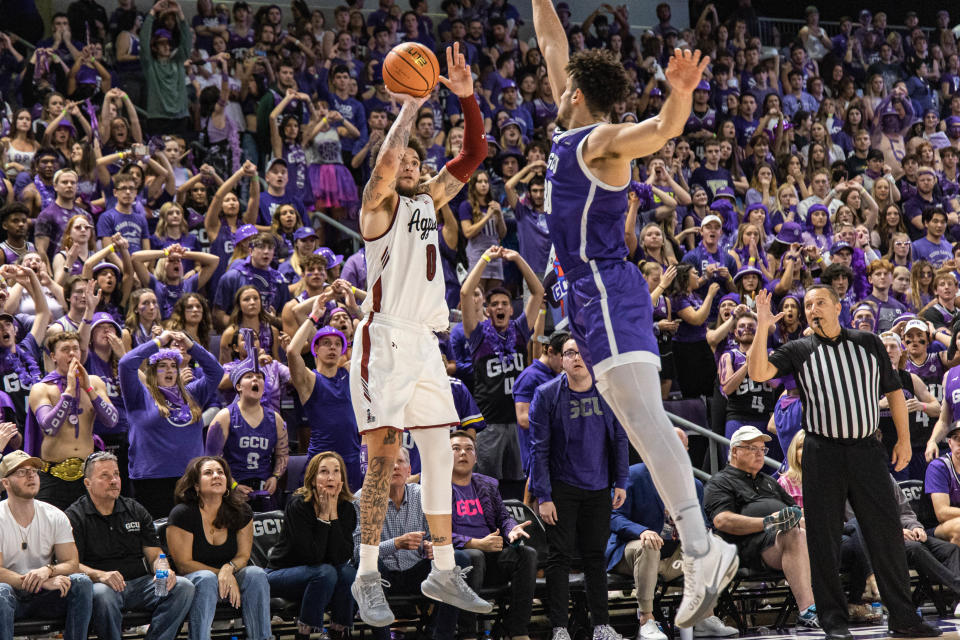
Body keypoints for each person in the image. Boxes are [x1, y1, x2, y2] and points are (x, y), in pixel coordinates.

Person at [531, 1, 738, 628]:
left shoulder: (598, 142)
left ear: (574, 94)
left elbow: (656, 133)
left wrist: (678, 98)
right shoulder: (568, 132)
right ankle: (703, 555)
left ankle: (704, 548)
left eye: (561, 83)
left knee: (649, 426)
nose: (553, 81)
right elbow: (550, 42)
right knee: (641, 424)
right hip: (590, 299)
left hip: (608, 292)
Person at [348, 43, 492, 626]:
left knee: (438, 448)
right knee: (383, 458)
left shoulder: (430, 199)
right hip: (384, 341)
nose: (406, 163)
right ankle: (365, 576)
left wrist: (464, 97)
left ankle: (443, 568)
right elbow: (383, 166)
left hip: (428, 343)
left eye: (413, 159)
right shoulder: (375, 209)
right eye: (400, 158)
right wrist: (407, 107)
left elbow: (475, 152)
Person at [748, 286, 940, 639]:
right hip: (822, 452)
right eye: (807, 305)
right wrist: (762, 326)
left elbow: (894, 391)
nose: (812, 309)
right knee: (824, 539)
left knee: (885, 534)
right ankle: (833, 622)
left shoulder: (867, 343)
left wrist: (902, 439)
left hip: (867, 449)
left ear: (839, 307)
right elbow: (759, 372)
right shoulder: (799, 349)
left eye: (819, 302)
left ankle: (904, 617)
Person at [529, 337, 629, 640]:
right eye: (569, 353)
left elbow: (620, 438)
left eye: (582, 352)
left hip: (599, 486)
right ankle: (559, 627)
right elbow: (539, 449)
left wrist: (621, 481)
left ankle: (601, 625)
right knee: (559, 558)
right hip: (562, 487)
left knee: (595, 556)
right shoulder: (546, 395)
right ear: (561, 359)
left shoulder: (609, 391)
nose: (576, 358)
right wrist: (543, 496)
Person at [607, 428, 739, 640]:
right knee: (648, 545)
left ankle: (705, 618)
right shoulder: (632, 476)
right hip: (632, 553)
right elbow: (613, 517)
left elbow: (703, 523)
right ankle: (646, 620)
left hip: (674, 556)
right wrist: (642, 531)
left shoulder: (694, 484)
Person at [66, 451, 194, 640]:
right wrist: (101, 575)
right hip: (103, 585)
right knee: (102, 595)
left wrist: (163, 569)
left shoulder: (134, 509)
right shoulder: (75, 516)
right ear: (87, 483)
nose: (114, 480)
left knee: (182, 587)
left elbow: (155, 553)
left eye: (116, 474)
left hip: (141, 584)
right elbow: (70, 563)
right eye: (105, 476)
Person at [703, 426, 818, 627]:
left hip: (780, 542)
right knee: (794, 534)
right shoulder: (720, 482)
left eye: (762, 449)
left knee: (830, 535)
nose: (759, 454)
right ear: (735, 451)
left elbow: (794, 512)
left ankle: (850, 602)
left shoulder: (769, 482)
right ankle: (808, 610)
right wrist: (769, 521)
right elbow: (722, 521)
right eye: (752, 448)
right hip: (746, 548)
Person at [352, 446, 469, 640]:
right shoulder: (362, 499)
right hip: (383, 577)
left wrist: (431, 547)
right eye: (388, 463)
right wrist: (396, 544)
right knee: (370, 567)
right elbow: (358, 554)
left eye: (400, 462)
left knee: (458, 559)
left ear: (409, 470)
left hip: (416, 573)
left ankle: (440, 635)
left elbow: (436, 538)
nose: (395, 467)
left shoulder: (422, 495)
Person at [460, 247, 544, 497]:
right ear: (487, 310)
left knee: (519, 485)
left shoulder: (519, 331)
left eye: (504, 304)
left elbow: (538, 291)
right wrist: (485, 259)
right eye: (494, 304)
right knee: (487, 486)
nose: (499, 307)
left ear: (511, 309)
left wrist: (518, 258)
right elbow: (465, 293)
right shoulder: (478, 335)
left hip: (518, 423)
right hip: (490, 424)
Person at [118, 330, 223, 518]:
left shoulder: (192, 394)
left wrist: (190, 345)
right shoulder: (140, 396)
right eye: (163, 366)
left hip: (190, 480)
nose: (169, 370)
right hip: (152, 481)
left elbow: (216, 371)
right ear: (152, 371)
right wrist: (159, 341)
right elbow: (126, 364)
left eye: (173, 366)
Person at [166, 456, 271, 640]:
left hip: (230, 575)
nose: (216, 476)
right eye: (208, 473)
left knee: (256, 574)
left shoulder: (242, 511)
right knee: (206, 579)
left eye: (220, 472)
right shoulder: (183, 514)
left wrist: (228, 569)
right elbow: (183, 564)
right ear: (196, 486)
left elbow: (243, 555)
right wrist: (221, 575)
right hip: (194, 580)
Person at [450, 430, 537, 640]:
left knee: (528, 554)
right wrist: (476, 543)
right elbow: (436, 533)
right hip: (457, 561)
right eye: (456, 449)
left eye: (469, 449)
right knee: (474, 556)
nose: (463, 453)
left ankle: (517, 630)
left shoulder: (487, 485)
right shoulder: (436, 488)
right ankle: (467, 633)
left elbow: (503, 517)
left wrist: (512, 530)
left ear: (476, 457)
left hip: (492, 558)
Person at [0, 450, 93, 640]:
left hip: (45, 595)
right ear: (5, 483)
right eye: (21, 472)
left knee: (81, 582)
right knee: (1, 592)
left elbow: (71, 563)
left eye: (33, 471)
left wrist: (48, 570)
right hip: (12, 595)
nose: (30, 475)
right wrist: (40, 583)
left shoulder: (55, 515)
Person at [267, 452, 357, 640]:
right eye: (324, 472)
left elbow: (341, 556)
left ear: (342, 478)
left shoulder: (346, 508)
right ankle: (304, 633)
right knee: (325, 571)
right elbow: (311, 557)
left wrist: (333, 514)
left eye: (336, 471)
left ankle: (337, 631)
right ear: (313, 478)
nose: (330, 477)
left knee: (348, 572)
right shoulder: (298, 505)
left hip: (322, 577)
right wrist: (324, 517)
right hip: (283, 574)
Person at [27, 331, 118, 510]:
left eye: (75, 348)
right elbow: (49, 427)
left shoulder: (95, 382)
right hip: (53, 476)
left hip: (87, 476)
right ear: (53, 356)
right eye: (65, 349)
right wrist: (69, 391)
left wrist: (88, 389)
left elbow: (112, 420)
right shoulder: (41, 388)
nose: (72, 354)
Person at [205, 330, 289, 511]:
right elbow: (212, 459)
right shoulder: (224, 417)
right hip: (231, 489)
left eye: (259, 377)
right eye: (249, 377)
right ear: (238, 386)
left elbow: (282, 454)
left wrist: (275, 476)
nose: (255, 380)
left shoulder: (275, 419)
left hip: (264, 490)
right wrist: (232, 486)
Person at [287, 301, 363, 490]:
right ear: (315, 349)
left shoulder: (349, 372)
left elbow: (378, 343)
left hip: (352, 461)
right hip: (322, 460)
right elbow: (291, 351)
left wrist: (354, 308)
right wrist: (313, 317)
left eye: (338, 344)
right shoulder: (310, 379)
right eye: (326, 343)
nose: (332, 348)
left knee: (354, 518)